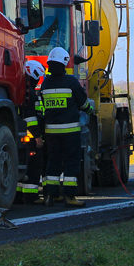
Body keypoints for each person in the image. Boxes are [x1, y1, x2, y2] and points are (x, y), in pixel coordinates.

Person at [39, 47, 93, 207]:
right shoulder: (71, 82)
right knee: (71, 162)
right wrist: (90, 110)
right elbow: (83, 103)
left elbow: (42, 106)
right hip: (70, 132)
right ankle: (69, 197)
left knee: (53, 162)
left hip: (51, 132)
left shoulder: (45, 84)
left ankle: (50, 195)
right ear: (64, 63)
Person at [17, 60, 46, 203]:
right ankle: (31, 196)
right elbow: (31, 119)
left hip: (19, 134)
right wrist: (38, 137)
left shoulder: (20, 90)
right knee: (34, 165)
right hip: (31, 137)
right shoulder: (31, 95)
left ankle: (17, 196)